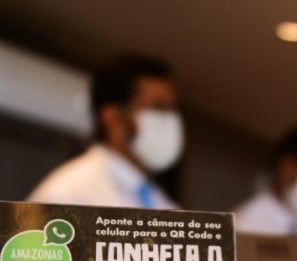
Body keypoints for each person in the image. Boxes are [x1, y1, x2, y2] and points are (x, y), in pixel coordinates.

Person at [28, 55, 183, 208]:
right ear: (114, 117)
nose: (170, 119)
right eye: (158, 108)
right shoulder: (68, 195)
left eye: (172, 109)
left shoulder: (162, 203)